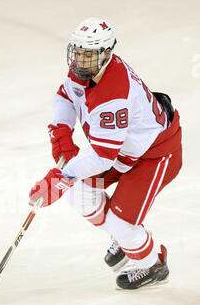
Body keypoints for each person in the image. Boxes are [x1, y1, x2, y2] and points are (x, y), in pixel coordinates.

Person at [29, 17, 182, 290]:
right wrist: (62, 138)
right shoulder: (87, 70)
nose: (79, 60)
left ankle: (153, 265)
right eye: (76, 51)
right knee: (81, 196)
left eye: (88, 54)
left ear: (107, 54)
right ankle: (127, 239)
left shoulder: (112, 93)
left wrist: (62, 177)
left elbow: (101, 157)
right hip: (121, 150)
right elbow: (65, 96)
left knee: (122, 226)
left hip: (154, 156)